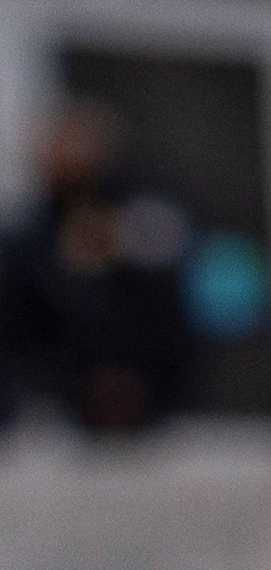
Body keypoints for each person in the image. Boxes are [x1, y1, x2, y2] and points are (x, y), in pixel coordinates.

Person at [0, 104, 200, 436]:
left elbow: (159, 298)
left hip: (154, 393)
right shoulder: (36, 229)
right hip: (65, 400)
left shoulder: (143, 207)